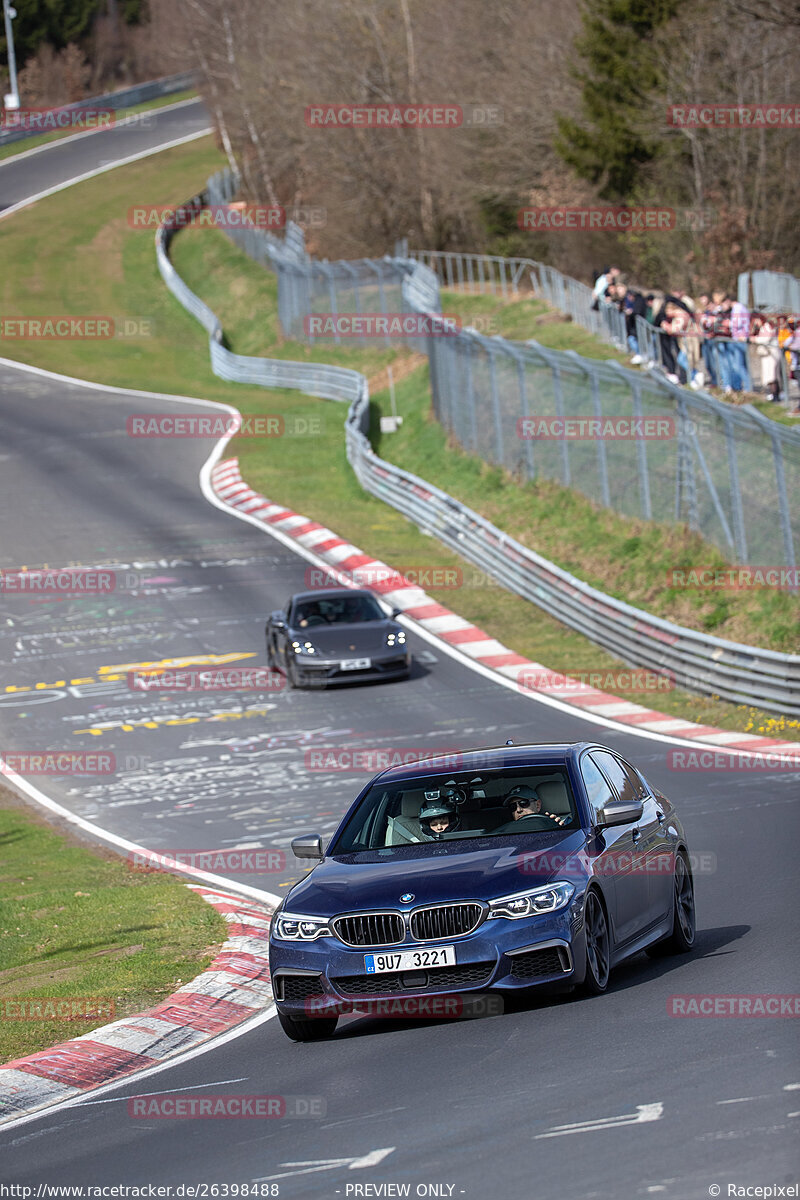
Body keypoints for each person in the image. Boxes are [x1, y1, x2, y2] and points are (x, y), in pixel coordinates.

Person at [503, 784, 568, 826]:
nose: (518, 810)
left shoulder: (564, 822)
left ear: (537, 805)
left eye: (523, 803)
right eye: (513, 807)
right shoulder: (507, 832)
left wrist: (559, 827)